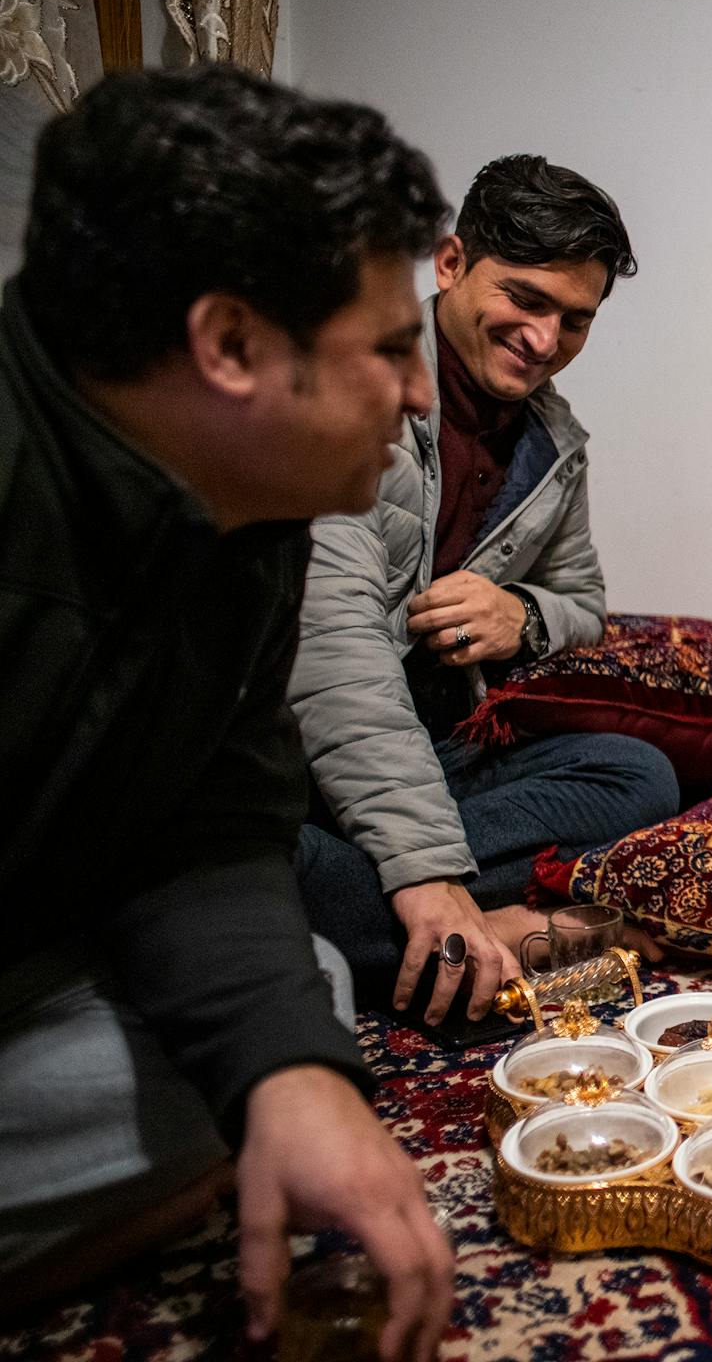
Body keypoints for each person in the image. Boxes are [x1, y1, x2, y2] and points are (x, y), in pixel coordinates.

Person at [0, 66, 454, 1357]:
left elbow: (208, 825)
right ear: (233, 346)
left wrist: (287, 1076)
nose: (418, 398)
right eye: (387, 351)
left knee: (295, 1014)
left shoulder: (251, 511)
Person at [289, 155, 678, 1027]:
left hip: (438, 746)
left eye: (575, 320)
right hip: (297, 748)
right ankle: (510, 930)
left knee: (641, 777)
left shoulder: (554, 443)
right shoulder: (352, 388)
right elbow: (336, 652)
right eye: (527, 301)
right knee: (238, 865)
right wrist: (427, 875)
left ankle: (411, 916)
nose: (546, 340)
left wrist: (523, 616)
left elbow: (582, 600)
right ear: (452, 262)